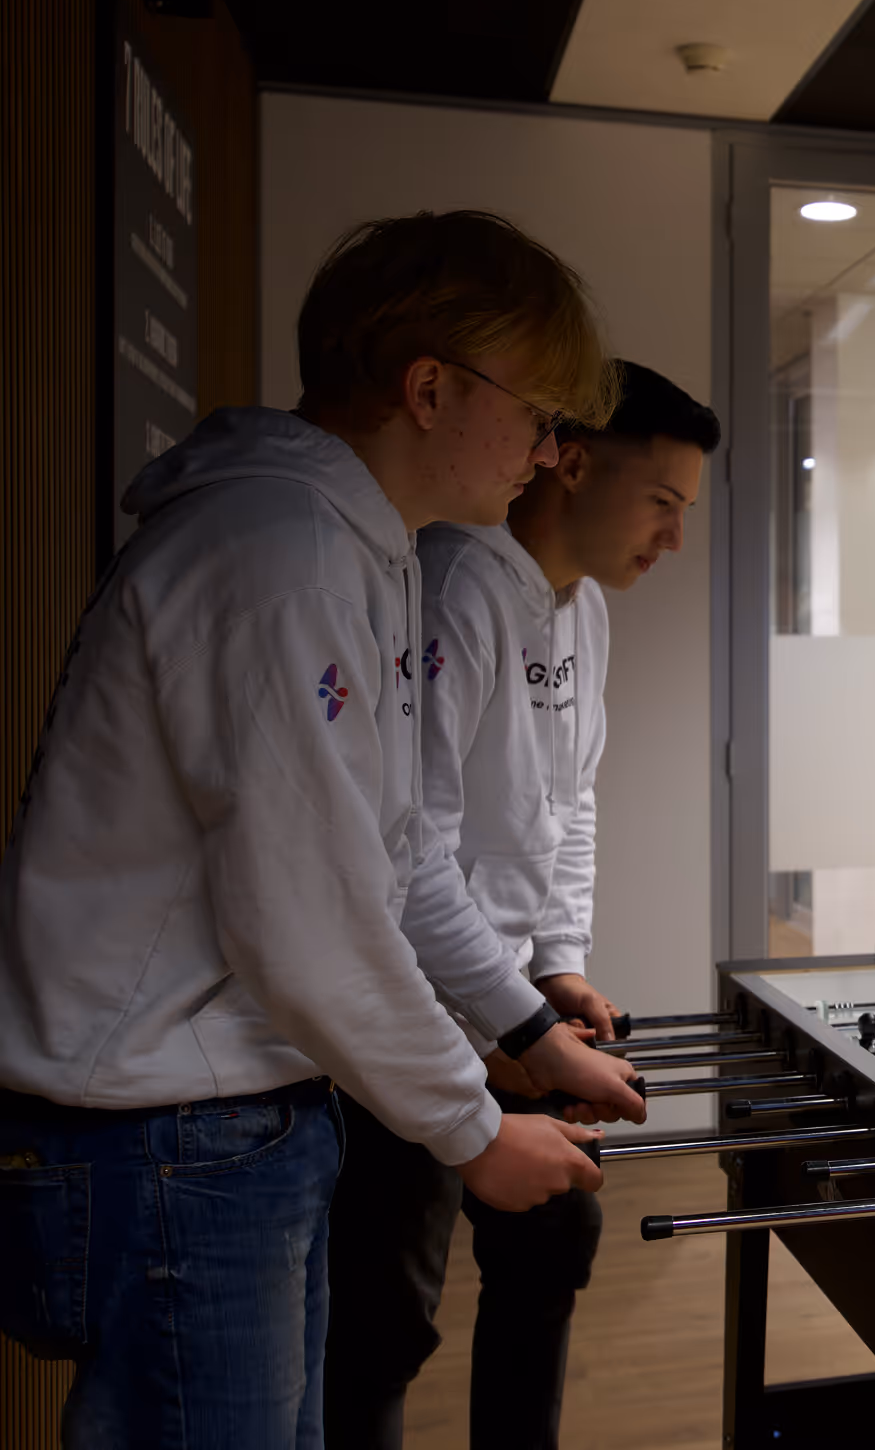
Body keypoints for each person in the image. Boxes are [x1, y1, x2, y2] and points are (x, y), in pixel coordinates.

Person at [0, 210, 643, 1448]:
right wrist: (471, 1126)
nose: (553, 452)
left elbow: (400, 858)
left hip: (241, 1119)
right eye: (544, 416)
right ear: (429, 387)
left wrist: (526, 1034)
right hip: (168, 1137)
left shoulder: (367, 552)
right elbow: (305, 915)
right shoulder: (278, 555)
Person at [328, 361, 718, 1448]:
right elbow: (414, 864)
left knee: (556, 1232)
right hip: (407, 1016)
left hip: (501, 1005)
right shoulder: (455, 585)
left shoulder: (583, 606)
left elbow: (569, 802)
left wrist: (558, 962)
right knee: (382, 1318)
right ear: (575, 461)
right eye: (661, 504)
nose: (672, 540)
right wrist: (533, 1027)